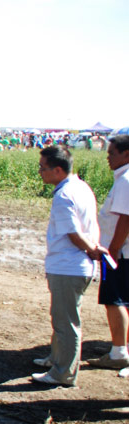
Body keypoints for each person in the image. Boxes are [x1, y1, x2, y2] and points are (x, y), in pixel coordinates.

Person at [31, 146, 99, 386]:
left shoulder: (64, 195)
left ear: (58, 170)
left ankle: (63, 373)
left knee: (67, 322)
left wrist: (91, 250)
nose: (40, 172)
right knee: (61, 317)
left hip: (68, 267)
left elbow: (73, 234)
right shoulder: (81, 187)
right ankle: (56, 359)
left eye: (43, 168)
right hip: (74, 266)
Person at [85, 134, 129, 370]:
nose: (107, 157)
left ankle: (119, 352)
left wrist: (111, 251)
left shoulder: (126, 181)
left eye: (112, 153)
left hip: (120, 253)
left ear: (126, 154)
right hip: (122, 252)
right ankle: (121, 346)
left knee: (115, 300)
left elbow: (125, 219)